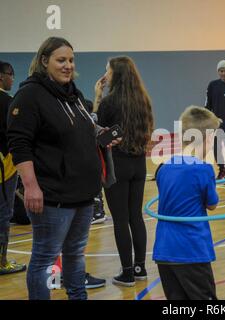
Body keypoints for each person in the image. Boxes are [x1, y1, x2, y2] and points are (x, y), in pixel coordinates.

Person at [7, 37, 120, 300]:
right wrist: (32, 186)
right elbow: (19, 144)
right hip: (52, 196)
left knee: (76, 253)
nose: (68, 66)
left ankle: (77, 296)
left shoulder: (74, 95)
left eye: (71, 60)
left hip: (82, 194)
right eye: (61, 60)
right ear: (44, 61)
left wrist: (102, 135)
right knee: (45, 258)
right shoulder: (30, 95)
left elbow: (84, 131)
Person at [94, 56, 154, 286]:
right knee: (135, 216)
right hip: (139, 165)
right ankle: (140, 268)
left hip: (117, 166)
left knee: (120, 220)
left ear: (116, 74)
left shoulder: (109, 102)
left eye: (107, 70)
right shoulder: (143, 100)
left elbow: (98, 132)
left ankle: (127, 272)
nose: (105, 74)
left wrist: (98, 97)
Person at [153, 106, 220, 300]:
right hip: (191, 250)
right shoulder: (203, 169)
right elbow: (212, 204)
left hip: (165, 250)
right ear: (208, 139)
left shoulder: (163, 168)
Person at [0, 61, 27, 275]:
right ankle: (1, 262)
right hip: (4, 166)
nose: (12, 78)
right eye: (11, 74)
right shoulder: (8, 102)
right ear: (1, 76)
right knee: (3, 213)